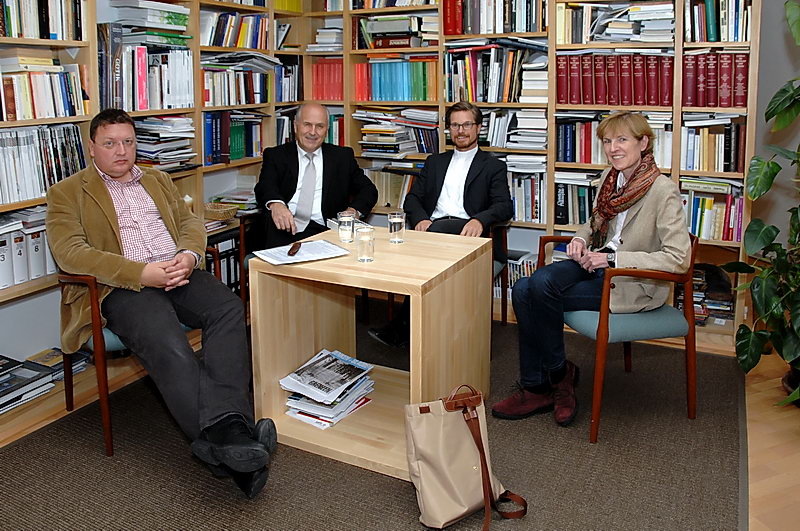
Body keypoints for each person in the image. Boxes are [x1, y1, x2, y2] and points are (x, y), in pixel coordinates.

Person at [46, 109, 276, 499]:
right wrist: (141, 273)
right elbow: (71, 253)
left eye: (128, 142)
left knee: (227, 307)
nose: (121, 151)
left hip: (177, 272)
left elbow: (190, 223)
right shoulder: (67, 192)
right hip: (123, 287)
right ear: (92, 147)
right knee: (165, 336)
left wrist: (188, 255)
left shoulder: (157, 179)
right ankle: (232, 441)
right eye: (110, 143)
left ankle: (227, 440)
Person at [491, 111, 691, 427]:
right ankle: (559, 375)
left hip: (628, 280)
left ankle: (541, 386)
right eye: (608, 141)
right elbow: (593, 223)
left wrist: (613, 259)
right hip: (595, 264)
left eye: (622, 139)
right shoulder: (610, 179)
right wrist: (579, 239)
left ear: (643, 143)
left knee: (530, 292)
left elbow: (678, 258)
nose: (613, 148)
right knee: (526, 286)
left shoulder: (662, 190)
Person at [369, 101, 514, 347]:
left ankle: (405, 330)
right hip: (432, 234)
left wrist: (479, 220)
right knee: (420, 251)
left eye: (466, 125)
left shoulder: (493, 166)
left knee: (434, 247)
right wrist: (421, 219)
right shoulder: (435, 162)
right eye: (455, 125)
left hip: (468, 238)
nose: (460, 131)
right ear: (449, 129)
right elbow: (412, 199)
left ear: (478, 128)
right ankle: (423, 332)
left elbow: (504, 206)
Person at [254, 103, 378, 248]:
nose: (313, 132)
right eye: (307, 125)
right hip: (283, 227)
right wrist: (276, 204)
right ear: (295, 126)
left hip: (323, 231)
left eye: (320, 126)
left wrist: (353, 211)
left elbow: (369, 190)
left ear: (327, 129)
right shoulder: (276, 155)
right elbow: (265, 186)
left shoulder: (342, 157)